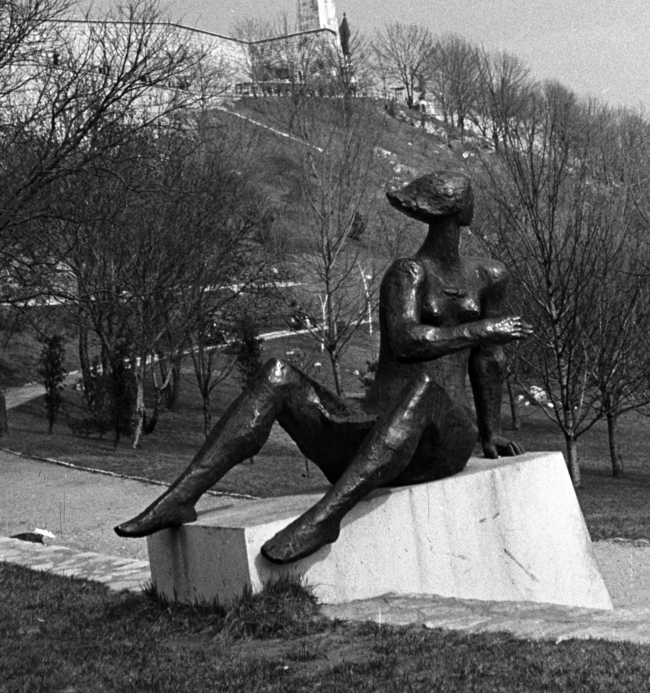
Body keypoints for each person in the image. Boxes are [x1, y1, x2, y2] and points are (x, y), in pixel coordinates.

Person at [116, 171, 527, 563]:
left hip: (443, 438)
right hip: (373, 427)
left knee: (423, 392)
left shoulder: (489, 275)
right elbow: (406, 341)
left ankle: (326, 519)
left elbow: (490, 359)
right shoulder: (407, 273)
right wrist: (485, 329)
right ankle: (183, 496)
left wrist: (492, 434)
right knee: (277, 375)